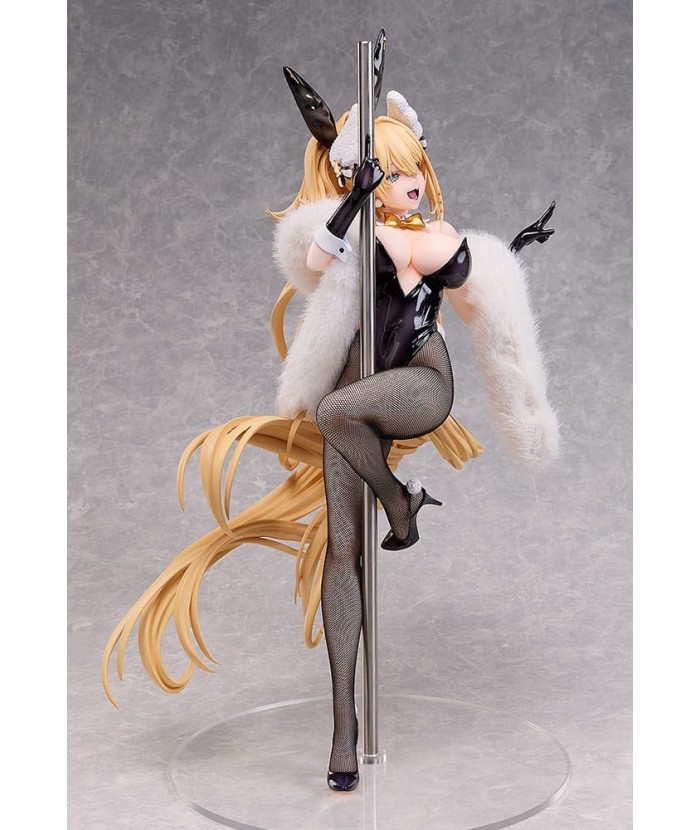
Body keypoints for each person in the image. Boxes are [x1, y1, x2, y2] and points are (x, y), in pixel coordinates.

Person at [102, 60, 560, 796]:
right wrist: (354, 204)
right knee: (342, 552)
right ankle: (344, 726)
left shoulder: (435, 236)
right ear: (354, 175)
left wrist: (504, 253)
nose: (408, 184)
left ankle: (400, 503)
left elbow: (472, 294)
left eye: (414, 171)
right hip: (352, 383)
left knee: (333, 412)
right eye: (391, 174)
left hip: (419, 381)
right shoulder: (348, 231)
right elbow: (314, 255)